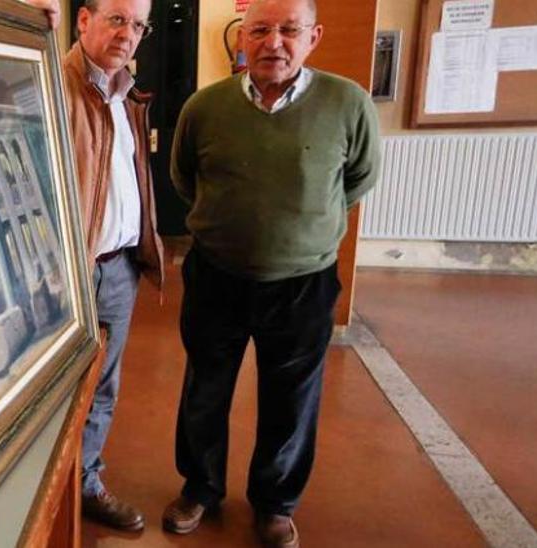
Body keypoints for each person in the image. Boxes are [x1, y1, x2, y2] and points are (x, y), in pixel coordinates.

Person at [163, 0, 380, 546]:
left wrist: (303, 231)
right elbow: (184, 177)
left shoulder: (347, 102)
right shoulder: (204, 107)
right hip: (217, 274)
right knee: (206, 388)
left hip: (303, 282)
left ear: (314, 36)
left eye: (289, 30)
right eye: (260, 30)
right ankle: (200, 488)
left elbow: (358, 177)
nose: (273, 43)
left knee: (292, 396)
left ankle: (276, 503)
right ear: (242, 37)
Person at [60, 0, 166, 532]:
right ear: (84, 20)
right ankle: (49, 501)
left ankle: (86, 481)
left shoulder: (127, 94)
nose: (129, 33)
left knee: (104, 385)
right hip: (71, 275)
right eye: (117, 19)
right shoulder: (53, 84)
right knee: (58, 392)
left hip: (119, 269)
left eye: (138, 24)